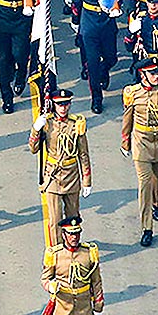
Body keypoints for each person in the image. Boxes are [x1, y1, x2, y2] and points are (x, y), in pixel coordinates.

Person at [121, 59, 158, 247]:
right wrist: (125, 143)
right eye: (152, 73)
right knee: (144, 184)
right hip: (141, 143)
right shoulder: (133, 93)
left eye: (157, 73)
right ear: (143, 75)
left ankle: (156, 204)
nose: (156, 76)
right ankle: (147, 228)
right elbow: (127, 120)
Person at [30, 89, 92, 247]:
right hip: (53, 176)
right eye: (59, 104)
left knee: (73, 218)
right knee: (55, 219)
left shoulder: (76, 124)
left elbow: (83, 154)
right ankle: (57, 251)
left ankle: (72, 247)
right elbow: (33, 148)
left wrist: (87, 180)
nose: (63, 108)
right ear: (54, 105)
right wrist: (36, 129)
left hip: (71, 175)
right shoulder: (47, 124)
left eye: (66, 104)